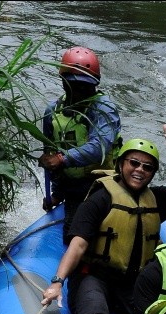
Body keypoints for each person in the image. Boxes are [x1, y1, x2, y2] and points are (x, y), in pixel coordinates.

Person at [40, 131, 166, 314]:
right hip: (94, 276)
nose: (140, 170)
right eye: (134, 163)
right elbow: (78, 245)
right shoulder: (99, 199)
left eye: (147, 167)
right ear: (121, 164)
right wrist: (57, 282)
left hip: (134, 281)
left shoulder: (156, 199)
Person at [39, 46, 123, 243]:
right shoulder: (52, 111)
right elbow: (51, 155)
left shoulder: (104, 108)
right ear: (63, 83)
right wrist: (56, 194)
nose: (82, 90)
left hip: (103, 184)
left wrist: (62, 159)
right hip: (72, 186)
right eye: (75, 85)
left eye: (87, 85)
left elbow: (98, 148)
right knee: (70, 230)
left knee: (76, 233)